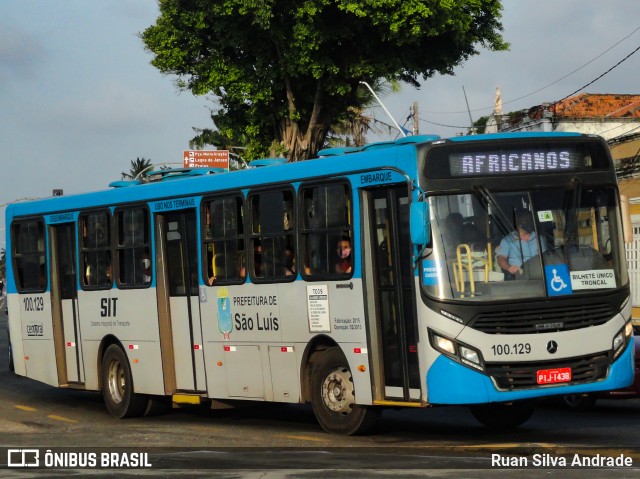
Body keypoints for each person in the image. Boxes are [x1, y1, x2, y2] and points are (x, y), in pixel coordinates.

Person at [496, 209, 546, 279]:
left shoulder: (539, 238)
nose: (530, 223)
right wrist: (509, 267)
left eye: (530, 220)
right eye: (526, 221)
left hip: (539, 277)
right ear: (518, 224)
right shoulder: (507, 240)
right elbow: (501, 259)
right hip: (518, 278)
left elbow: (545, 257)